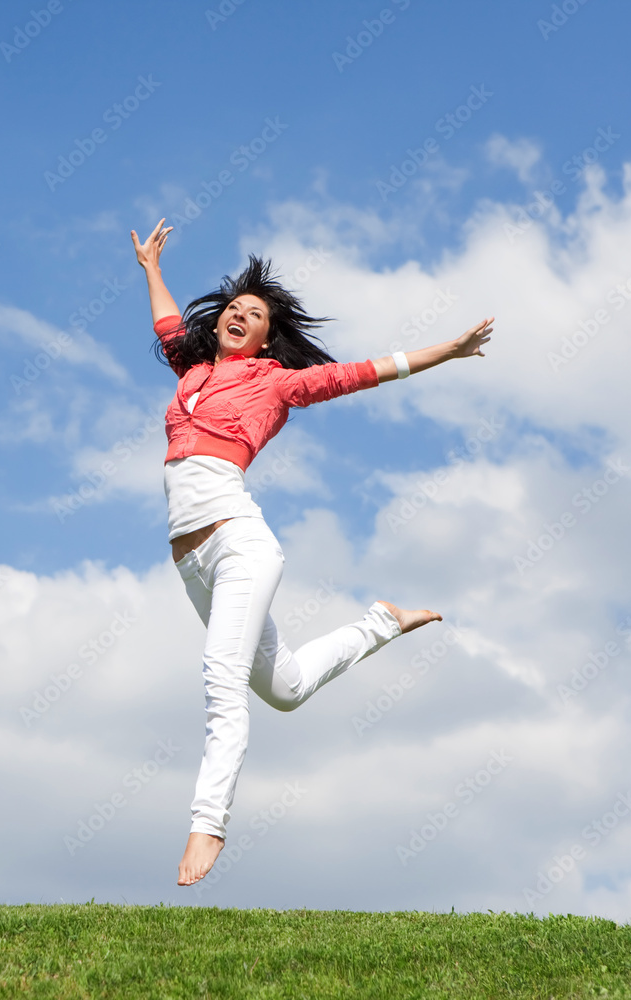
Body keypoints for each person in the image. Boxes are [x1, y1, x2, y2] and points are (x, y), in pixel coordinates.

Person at [130, 219, 494, 887]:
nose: (240, 315)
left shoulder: (275, 382)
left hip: (238, 542)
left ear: (268, 337)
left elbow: (364, 373)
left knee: (222, 683)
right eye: (234, 309)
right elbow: (165, 326)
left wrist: (449, 350)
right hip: (190, 563)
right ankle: (384, 621)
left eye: (254, 315)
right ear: (218, 324)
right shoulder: (193, 369)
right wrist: (152, 266)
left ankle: (207, 823)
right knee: (287, 688)